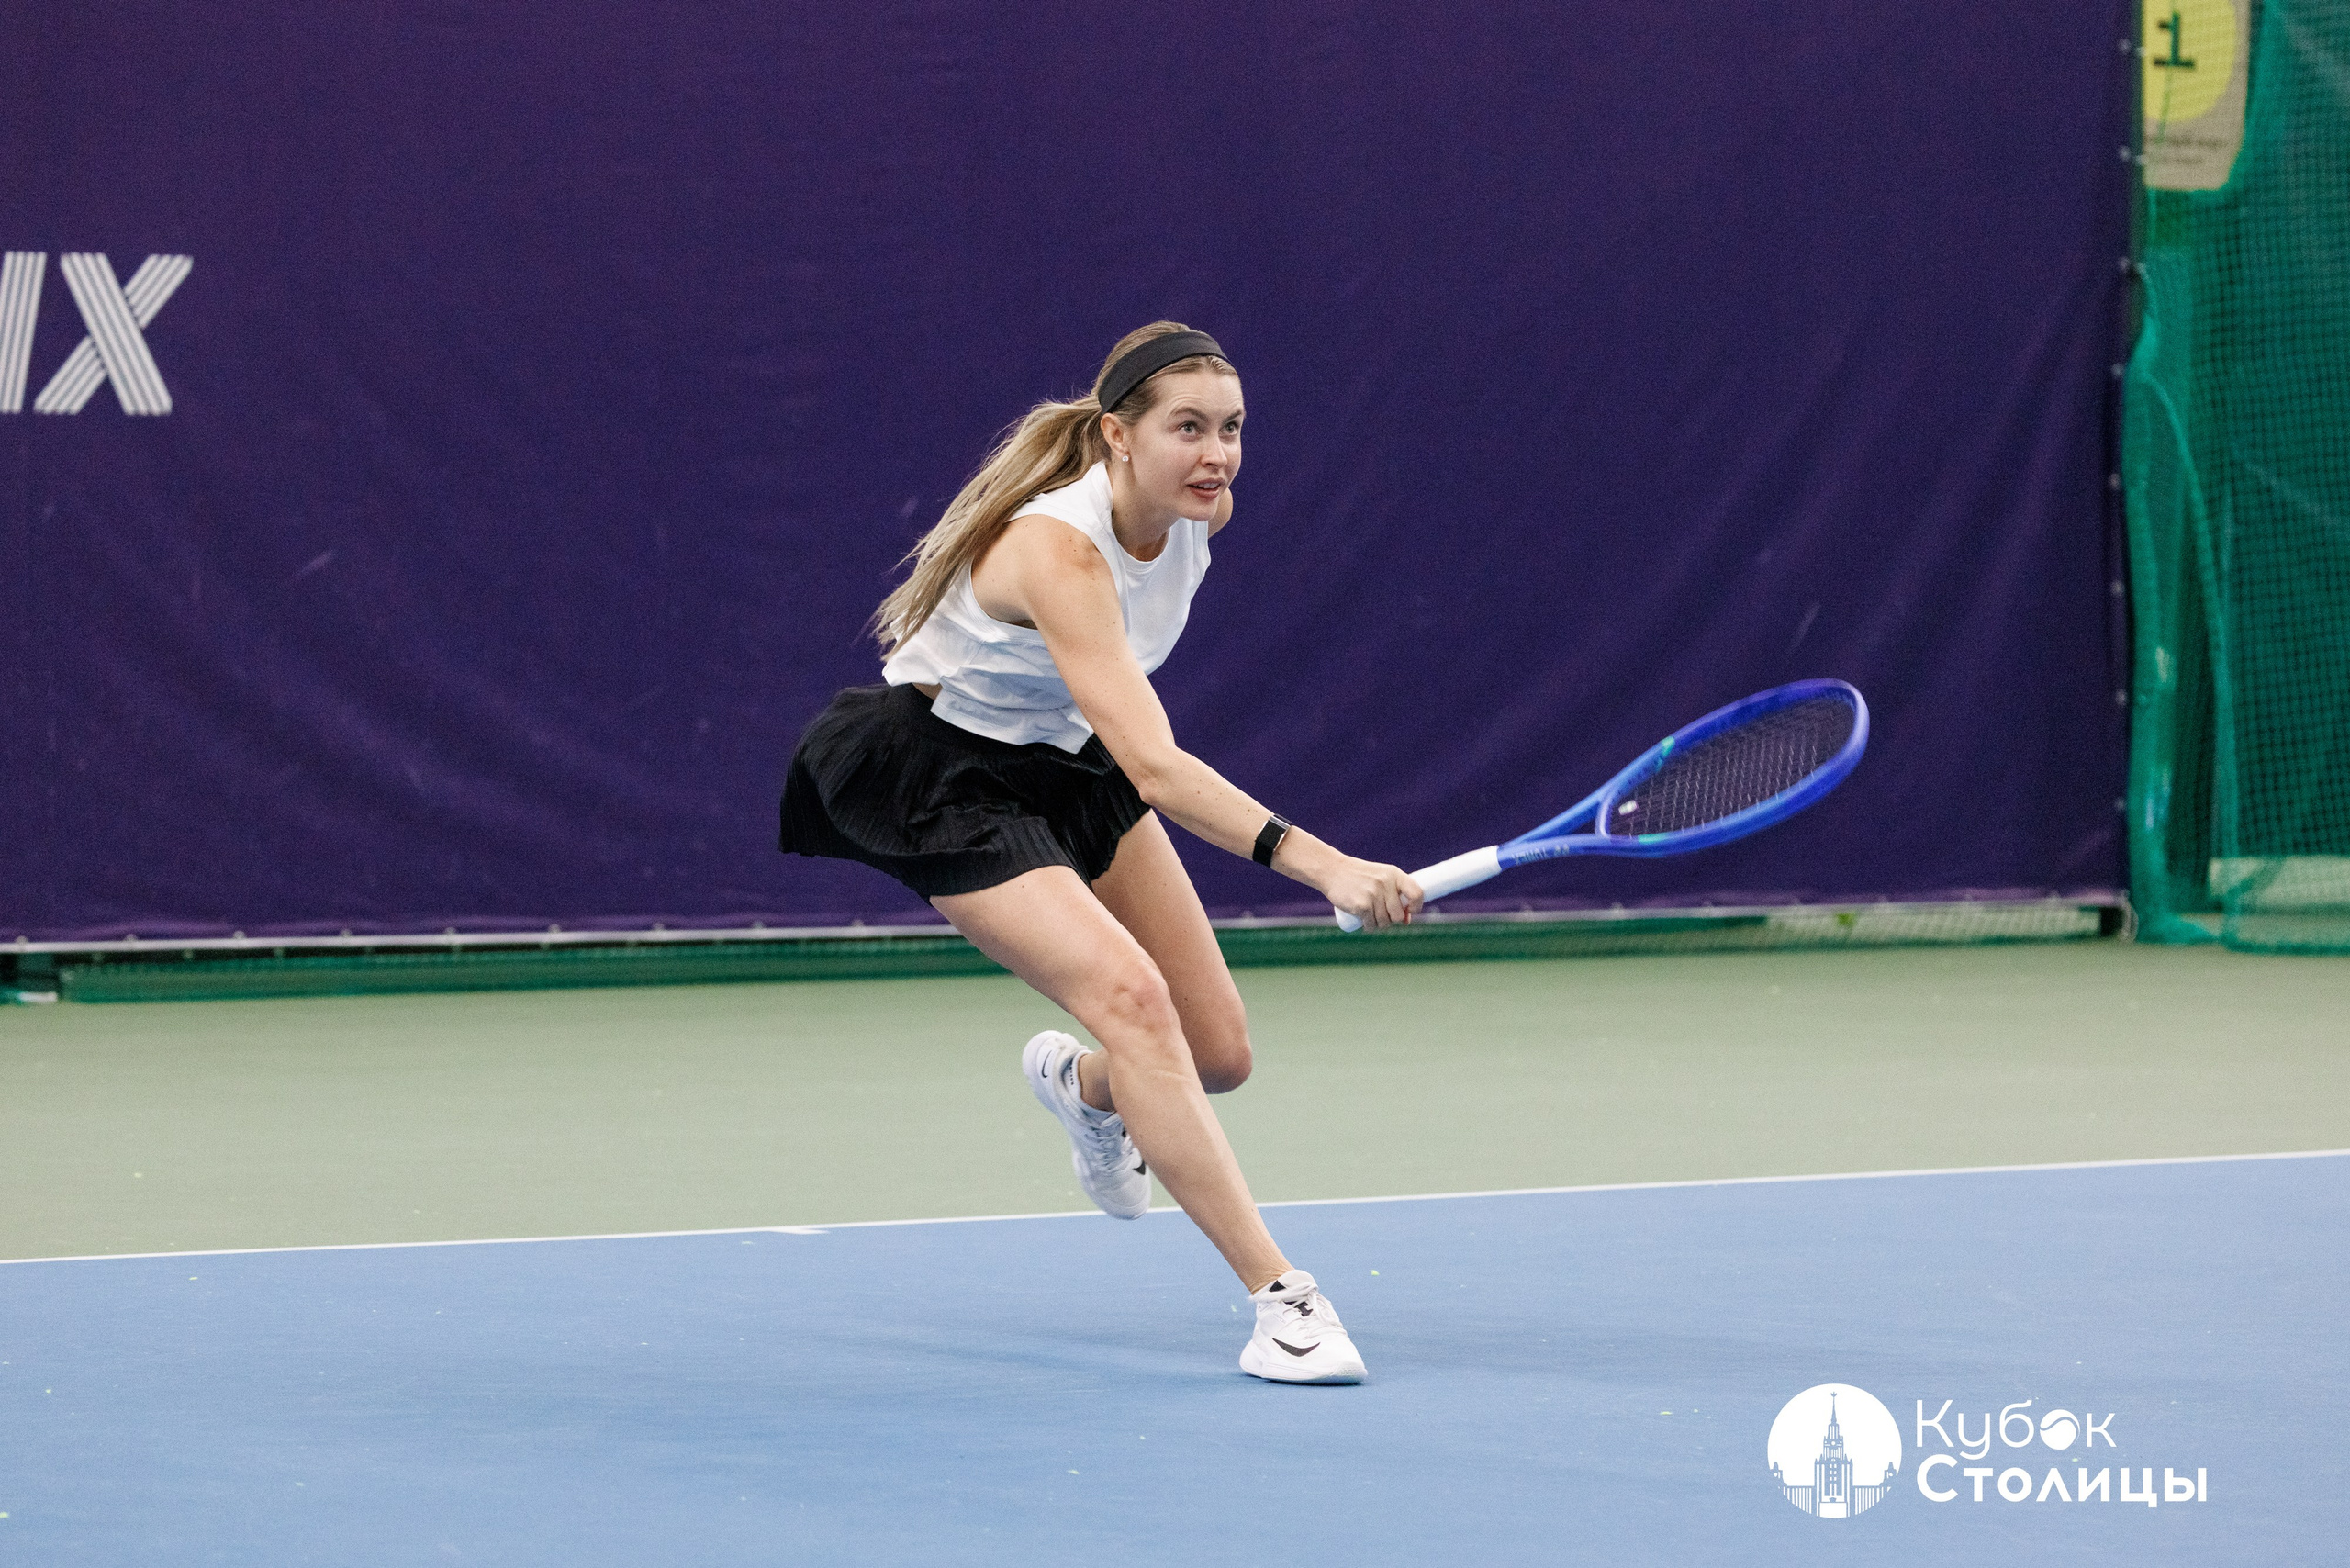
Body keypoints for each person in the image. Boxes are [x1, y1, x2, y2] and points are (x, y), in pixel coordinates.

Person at [778, 322, 1422, 1383]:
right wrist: (1326, 866)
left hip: (1066, 761)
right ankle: (1282, 1300)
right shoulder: (1059, 549)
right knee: (1132, 998)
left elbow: (1119, 747)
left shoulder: (1193, 519)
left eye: (1231, 429)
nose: (1216, 454)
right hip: (941, 772)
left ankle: (1083, 1089)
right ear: (1119, 436)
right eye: (1187, 429)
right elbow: (1157, 768)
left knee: (1217, 1054)